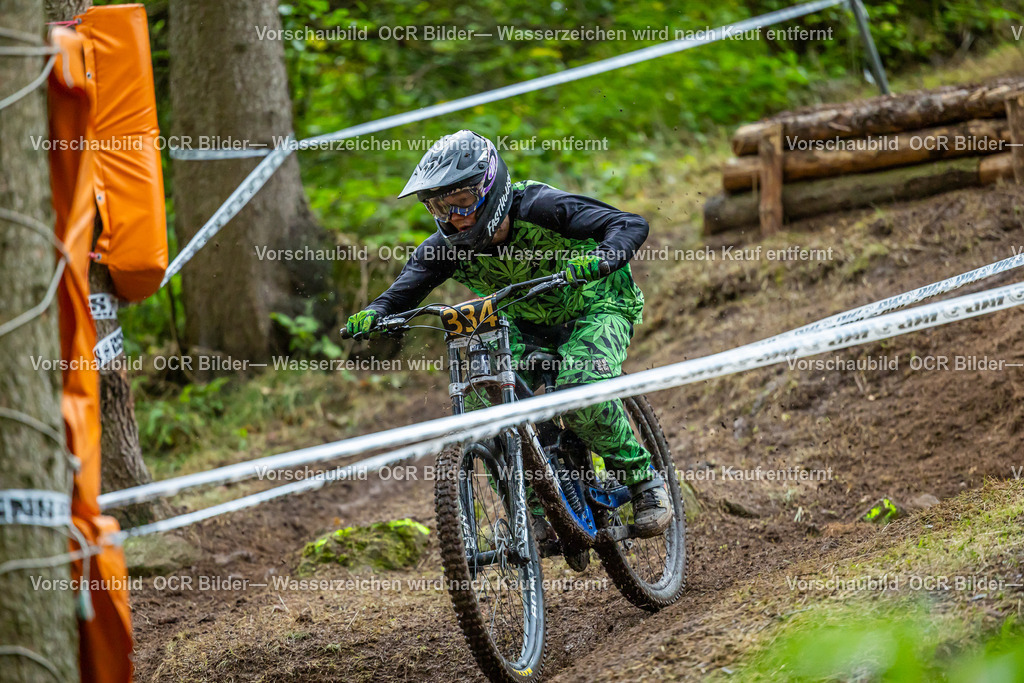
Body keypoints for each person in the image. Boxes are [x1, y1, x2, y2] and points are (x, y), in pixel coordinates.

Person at [345, 130, 671, 538]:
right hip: (524, 324)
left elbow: (628, 223)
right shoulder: (444, 247)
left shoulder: (540, 206)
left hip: (596, 303)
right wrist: (374, 314)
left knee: (581, 386)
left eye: (462, 201)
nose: (455, 216)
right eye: (439, 206)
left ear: (490, 187)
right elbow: (400, 294)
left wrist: (603, 257)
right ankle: (535, 511)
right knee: (486, 403)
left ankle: (645, 483)